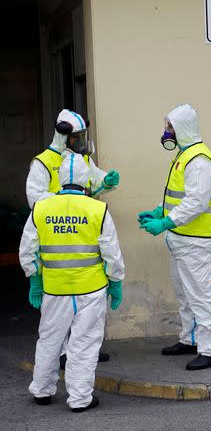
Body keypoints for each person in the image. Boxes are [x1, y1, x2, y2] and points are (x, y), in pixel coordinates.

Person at [19, 151, 124, 412]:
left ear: (61, 179)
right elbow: (111, 252)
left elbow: (27, 249)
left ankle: (42, 390)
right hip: (91, 289)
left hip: (55, 289)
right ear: (86, 180)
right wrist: (116, 281)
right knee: (84, 344)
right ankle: (79, 398)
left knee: (50, 340)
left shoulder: (41, 207)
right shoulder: (98, 209)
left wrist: (34, 279)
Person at [26, 109, 119, 367]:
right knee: (60, 311)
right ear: (63, 134)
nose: (78, 141)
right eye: (75, 137)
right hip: (57, 235)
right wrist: (64, 205)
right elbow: (34, 198)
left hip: (79, 233)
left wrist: (107, 181)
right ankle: (67, 353)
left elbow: (95, 182)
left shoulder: (79, 160)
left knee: (80, 306)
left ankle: (80, 351)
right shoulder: (42, 162)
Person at [138, 104, 211, 371]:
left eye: (170, 127)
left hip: (195, 241)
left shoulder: (199, 160)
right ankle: (190, 339)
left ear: (182, 128)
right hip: (181, 238)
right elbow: (179, 198)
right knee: (185, 292)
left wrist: (165, 221)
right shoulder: (184, 156)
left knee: (201, 294)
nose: (166, 133)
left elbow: (197, 202)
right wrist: (159, 211)